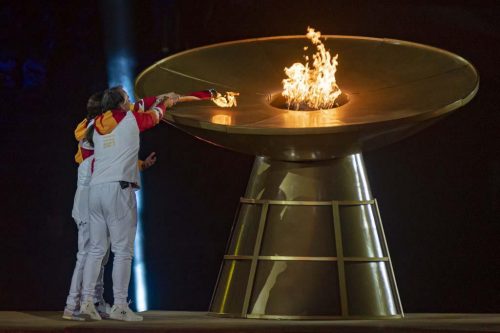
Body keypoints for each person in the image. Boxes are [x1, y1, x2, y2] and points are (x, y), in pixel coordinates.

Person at [79, 87, 176, 321]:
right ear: (122, 104)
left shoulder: (93, 125)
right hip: (119, 190)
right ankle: (120, 306)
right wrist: (166, 102)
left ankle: (86, 302)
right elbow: (155, 116)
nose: (130, 102)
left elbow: (91, 154)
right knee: (123, 251)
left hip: (95, 191)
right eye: (127, 99)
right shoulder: (130, 119)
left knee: (96, 250)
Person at [63, 91, 157, 321]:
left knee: (97, 253)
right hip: (96, 198)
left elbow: (113, 158)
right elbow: (145, 113)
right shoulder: (100, 131)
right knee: (94, 253)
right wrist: (164, 102)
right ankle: (76, 304)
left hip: (94, 196)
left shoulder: (94, 131)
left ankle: (91, 301)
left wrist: (140, 165)